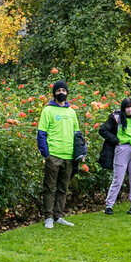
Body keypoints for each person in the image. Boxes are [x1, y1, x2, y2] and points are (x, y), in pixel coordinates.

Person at [37, 80, 85, 228]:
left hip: (69, 157)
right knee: (49, 188)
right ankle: (49, 217)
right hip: (54, 156)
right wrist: (46, 154)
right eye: (59, 91)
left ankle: (59, 216)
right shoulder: (48, 111)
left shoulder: (71, 112)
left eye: (64, 90)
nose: (61, 93)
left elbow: (78, 134)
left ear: (67, 93)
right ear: (54, 93)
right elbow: (41, 133)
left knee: (63, 188)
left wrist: (81, 151)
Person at [99, 96, 131, 215]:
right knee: (118, 179)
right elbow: (103, 130)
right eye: (127, 107)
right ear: (123, 108)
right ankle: (109, 204)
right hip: (122, 148)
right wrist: (116, 140)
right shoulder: (116, 118)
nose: (129, 110)